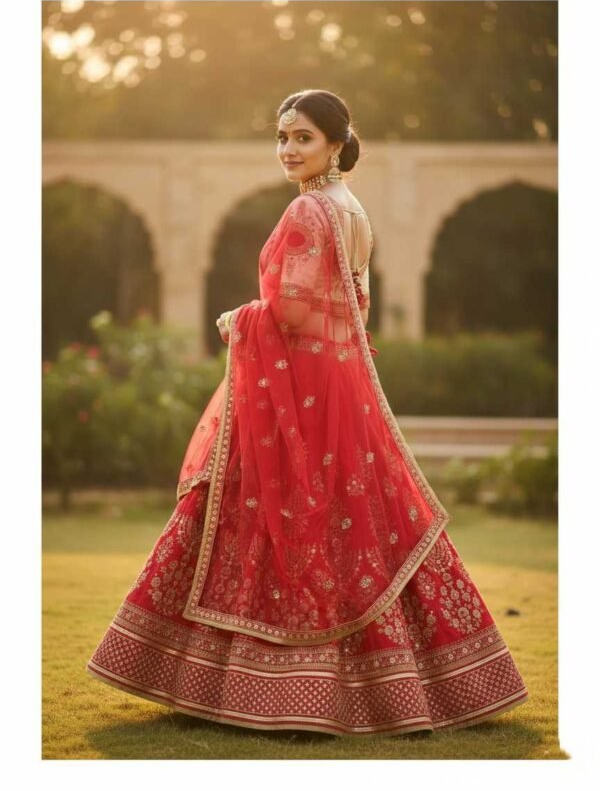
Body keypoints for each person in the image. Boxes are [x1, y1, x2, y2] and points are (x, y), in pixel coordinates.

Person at [86, 89, 529, 736]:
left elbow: (292, 311)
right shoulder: (353, 211)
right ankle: (438, 683)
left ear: (335, 142)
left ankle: (248, 684)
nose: (288, 149)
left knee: (273, 514)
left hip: (296, 394)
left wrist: (240, 320)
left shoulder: (306, 214)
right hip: (342, 385)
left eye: (303, 138)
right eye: (282, 136)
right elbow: (352, 310)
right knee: (361, 522)